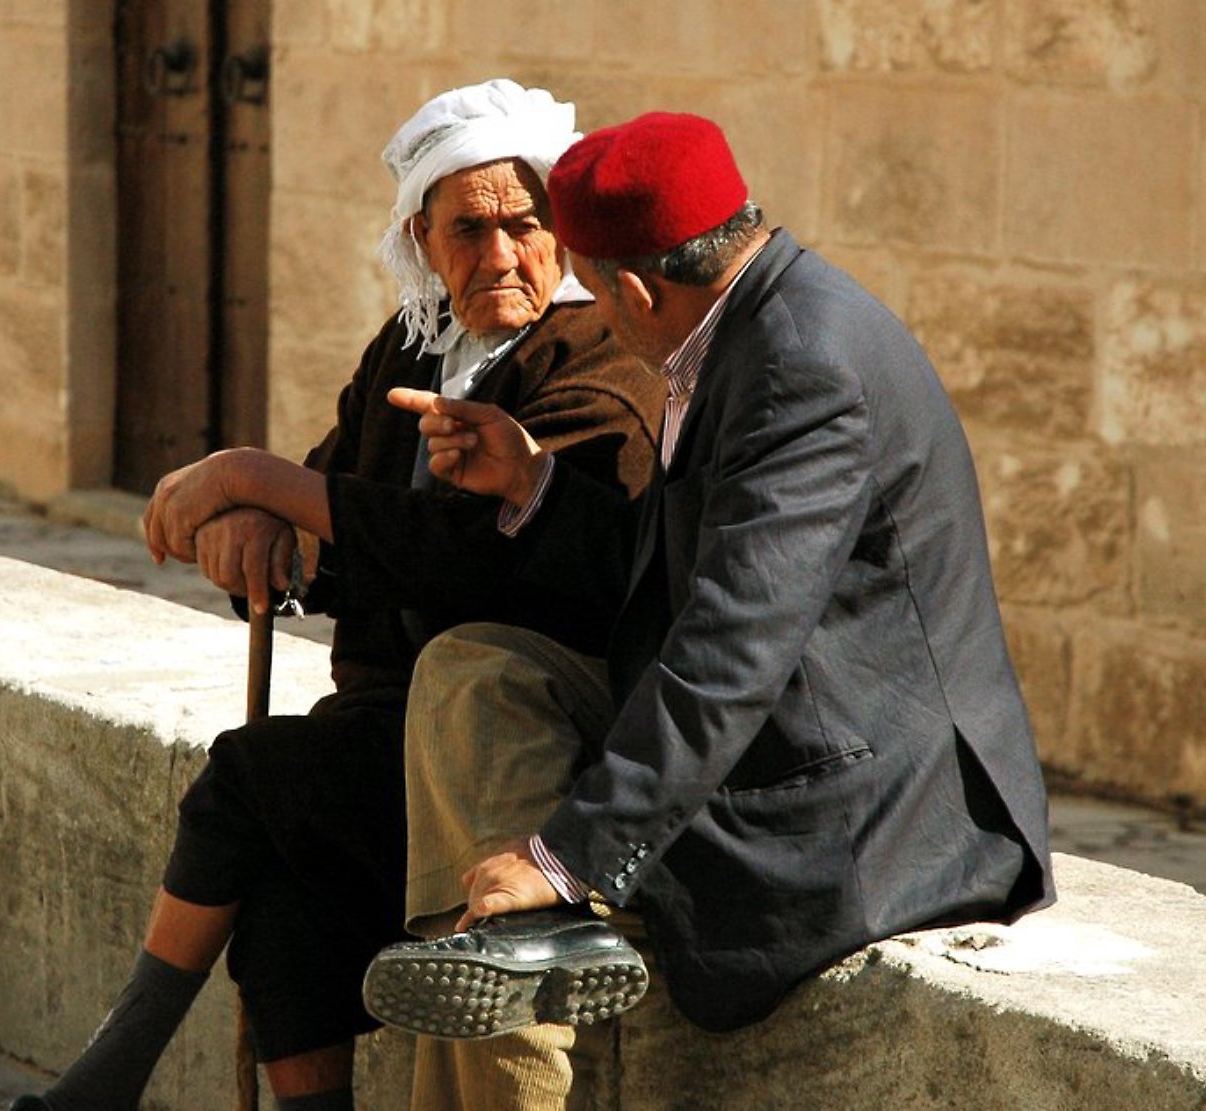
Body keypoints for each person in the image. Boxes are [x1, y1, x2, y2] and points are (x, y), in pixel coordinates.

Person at [365, 111, 1056, 1107]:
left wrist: (565, 856)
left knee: (496, 923)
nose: (594, 316)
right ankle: (518, 941)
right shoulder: (740, 323)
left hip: (870, 813)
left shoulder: (801, 365)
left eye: (593, 294)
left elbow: (733, 649)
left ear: (638, 288)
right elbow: (681, 569)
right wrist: (534, 483)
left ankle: (525, 940)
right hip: (781, 740)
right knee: (476, 673)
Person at [9, 81, 664, 1111]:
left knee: (246, 778)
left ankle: (109, 1073)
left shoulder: (601, 359)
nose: (499, 256)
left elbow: (470, 553)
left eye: (525, 225)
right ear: (423, 238)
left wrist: (253, 477)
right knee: (280, 906)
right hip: (389, 722)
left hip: (512, 745)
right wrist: (266, 527)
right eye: (469, 230)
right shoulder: (411, 346)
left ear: (560, 233)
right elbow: (340, 500)